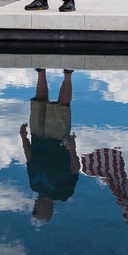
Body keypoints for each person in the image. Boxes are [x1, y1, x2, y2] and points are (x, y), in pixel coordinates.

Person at [20, 68, 80, 223]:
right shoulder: (63, 193)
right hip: (57, 141)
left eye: (34, 209)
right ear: (47, 209)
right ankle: (68, 75)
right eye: (36, 210)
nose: (34, 205)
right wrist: (72, 149)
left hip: (38, 138)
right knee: (62, 106)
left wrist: (23, 138)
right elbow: (74, 170)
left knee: (39, 102)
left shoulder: (34, 186)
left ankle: (41, 72)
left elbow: (29, 159)